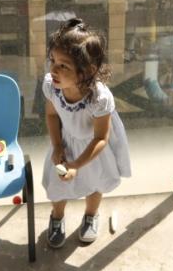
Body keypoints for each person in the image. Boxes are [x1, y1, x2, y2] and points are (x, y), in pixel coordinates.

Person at [41, 18, 132, 248]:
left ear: (87, 71)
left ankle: (91, 215)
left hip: (93, 148)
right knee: (57, 185)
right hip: (64, 142)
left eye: (64, 65)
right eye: (53, 60)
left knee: (96, 183)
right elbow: (52, 115)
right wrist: (58, 146)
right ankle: (57, 217)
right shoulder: (52, 87)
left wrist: (76, 165)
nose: (53, 69)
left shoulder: (99, 98)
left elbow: (102, 137)